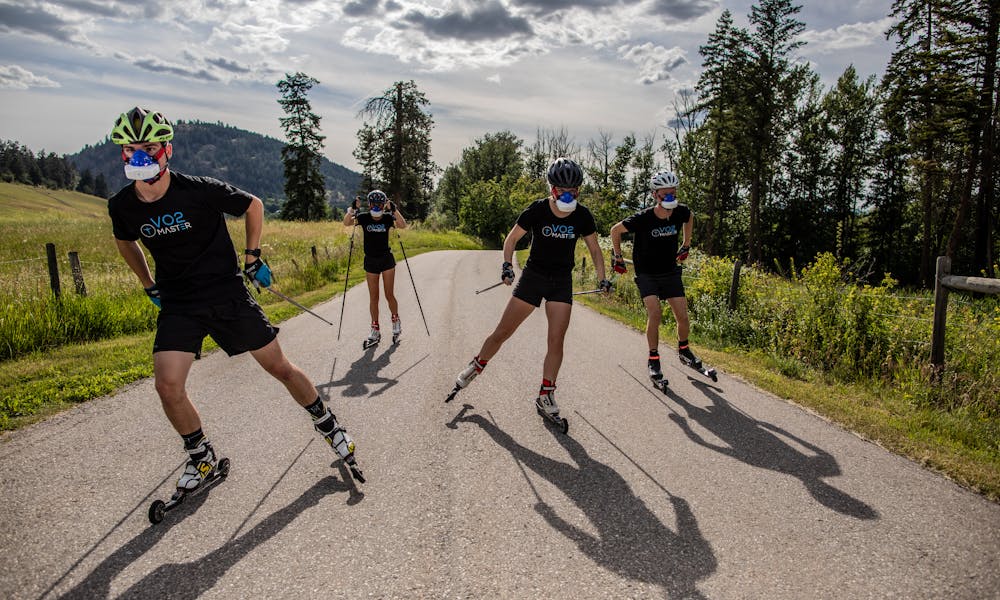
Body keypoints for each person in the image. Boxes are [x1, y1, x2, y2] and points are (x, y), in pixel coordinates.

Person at [107, 107, 363, 488]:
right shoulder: (122, 205)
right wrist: (148, 284)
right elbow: (125, 241)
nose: (140, 156)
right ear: (122, 154)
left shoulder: (198, 190)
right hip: (179, 303)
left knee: (279, 368)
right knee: (167, 385)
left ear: (167, 151)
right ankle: (201, 457)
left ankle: (329, 424)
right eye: (130, 149)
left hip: (226, 292)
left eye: (149, 148)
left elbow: (254, 205)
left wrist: (252, 255)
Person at [451, 157, 610, 419]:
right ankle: (476, 364)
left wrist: (603, 278)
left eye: (574, 191)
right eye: (563, 190)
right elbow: (511, 239)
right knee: (503, 332)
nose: (569, 195)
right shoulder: (537, 210)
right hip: (533, 277)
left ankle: (546, 394)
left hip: (561, 281)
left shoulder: (583, 215)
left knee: (556, 340)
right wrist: (506, 265)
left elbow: (594, 249)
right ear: (552, 189)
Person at [609, 170, 700, 382]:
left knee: (682, 316)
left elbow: (690, 217)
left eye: (673, 194)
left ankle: (684, 349)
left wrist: (686, 245)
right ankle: (653, 358)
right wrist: (618, 257)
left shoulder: (680, 211)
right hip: (647, 273)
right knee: (655, 313)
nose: (670, 198)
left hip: (669, 271)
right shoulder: (644, 218)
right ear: (655, 195)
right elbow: (615, 230)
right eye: (665, 195)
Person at [342, 189, 408, 347]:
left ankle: (395, 319)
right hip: (370, 261)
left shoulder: (386, 218)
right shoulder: (363, 217)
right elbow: (346, 222)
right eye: (374, 203)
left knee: (389, 294)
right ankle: (375, 328)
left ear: (383, 204)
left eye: (380, 203)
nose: (377, 206)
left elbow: (403, 225)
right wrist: (352, 209)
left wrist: (394, 209)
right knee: (374, 298)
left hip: (386, 261)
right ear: (370, 204)